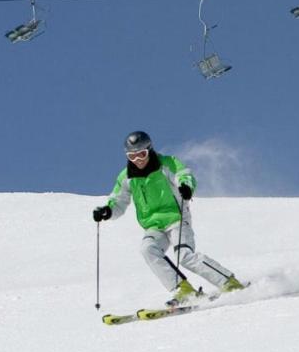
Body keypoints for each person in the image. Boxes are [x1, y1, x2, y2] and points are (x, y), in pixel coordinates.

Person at [93, 131, 246, 306]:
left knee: (184, 255)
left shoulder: (167, 163)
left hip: (176, 218)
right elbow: (118, 200)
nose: (138, 160)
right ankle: (183, 290)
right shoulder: (126, 177)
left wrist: (186, 187)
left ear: (149, 150)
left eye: (141, 154)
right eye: (132, 156)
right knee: (147, 250)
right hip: (153, 226)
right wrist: (107, 210)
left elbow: (183, 175)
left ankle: (229, 283)